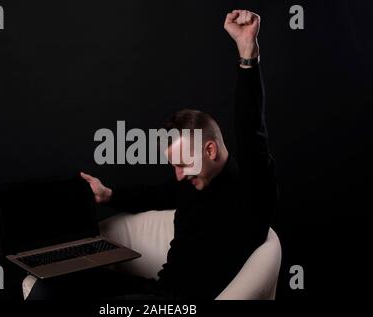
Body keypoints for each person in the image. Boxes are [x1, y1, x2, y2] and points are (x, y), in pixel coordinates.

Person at [28, 9, 277, 300]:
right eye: (175, 165)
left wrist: (247, 52)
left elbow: (251, 131)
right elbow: (154, 194)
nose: (179, 174)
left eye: (184, 164)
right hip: (155, 291)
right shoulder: (192, 185)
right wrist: (108, 195)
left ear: (210, 149)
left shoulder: (251, 191)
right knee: (49, 285)